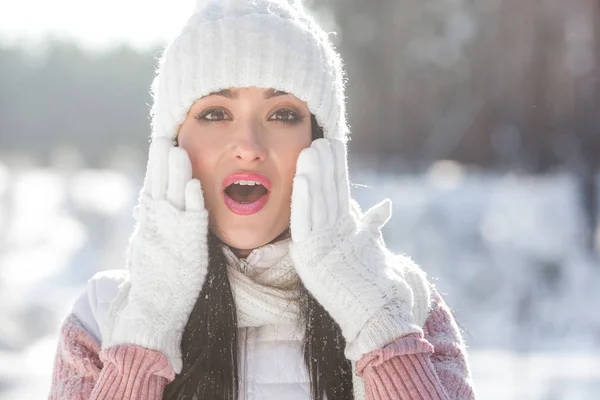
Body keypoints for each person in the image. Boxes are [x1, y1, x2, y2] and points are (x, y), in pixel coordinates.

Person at [48, 0, 476, 399]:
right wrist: (149, 321)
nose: (248, 146)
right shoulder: (103, 319)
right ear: (170, 148)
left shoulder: (406, 305)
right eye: (215, 114)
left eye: (283, 115)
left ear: (325, 146)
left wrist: (372, 316)